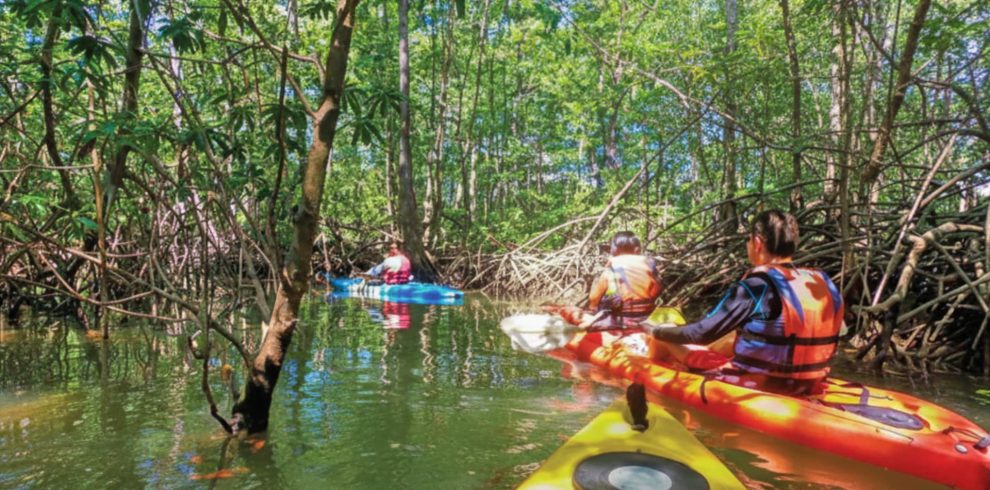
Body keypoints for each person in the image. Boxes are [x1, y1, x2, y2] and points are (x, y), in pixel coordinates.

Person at [642, 210, 844, 396]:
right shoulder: (821, 283)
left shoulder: (756, 285)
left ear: (757, 242)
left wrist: (655, 331)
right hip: (812, 382)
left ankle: (652, 377)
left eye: (748, 240)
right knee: (733, 337)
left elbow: (698, 334)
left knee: (664, 334)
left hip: (760, 384)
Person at [578, 231, 663, 330]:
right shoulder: (649, 265)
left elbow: (594, 299)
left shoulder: (612, 268)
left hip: (620, 319)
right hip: (648, 317)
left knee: (582, 326)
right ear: (637, 249)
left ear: (614, 249)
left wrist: (593, 311)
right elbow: (658, 289)